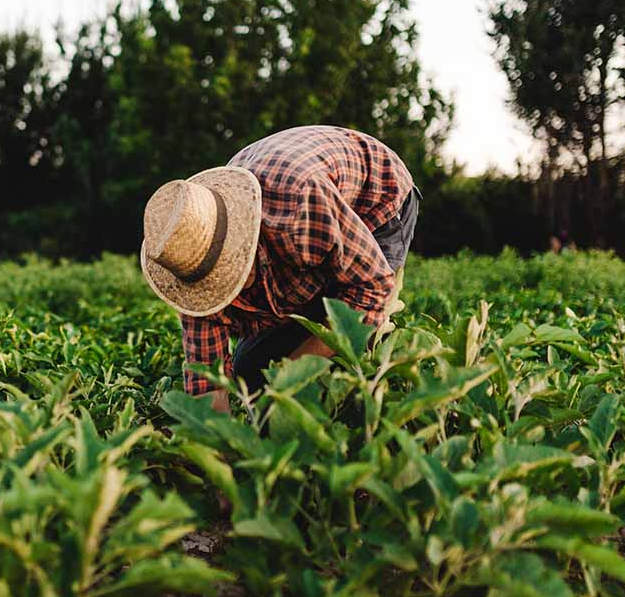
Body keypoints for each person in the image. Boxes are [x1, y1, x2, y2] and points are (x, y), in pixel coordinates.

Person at [140, 125, 420, 413]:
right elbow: (207, 385)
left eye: (229, 274)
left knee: (353, 349)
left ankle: (371, 379)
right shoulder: (188, 264)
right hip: (306, 225)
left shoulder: (299, 206)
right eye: (215, 284)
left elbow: (370, 287)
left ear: (246, 243)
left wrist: (292, 375)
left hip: (375, 198)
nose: (225, 289)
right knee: (251, 370)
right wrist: (214, 440)